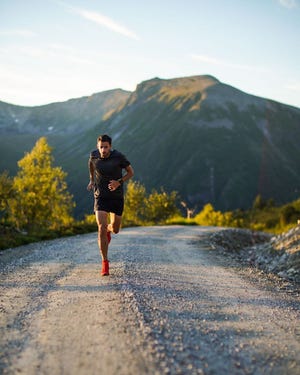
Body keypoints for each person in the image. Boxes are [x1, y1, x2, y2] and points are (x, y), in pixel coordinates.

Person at [87, 134, 134, 276]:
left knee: (115, 229)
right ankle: (105, 263)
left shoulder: (119, 157)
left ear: (110, 147)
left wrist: (118, 182)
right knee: (100, 227)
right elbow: (91, 165)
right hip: (100, 196)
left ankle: (109, 230)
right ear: (98, 147)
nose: (103, 150)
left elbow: (131, 172)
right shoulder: (94, 156)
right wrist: (91, 180)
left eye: (106, 147)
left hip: (116, 197)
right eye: (101, 147)